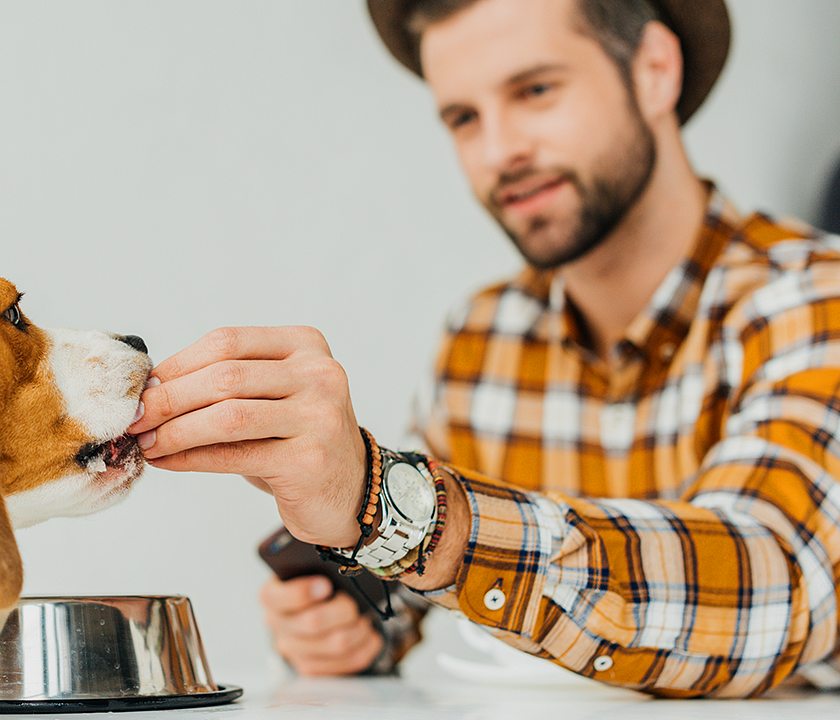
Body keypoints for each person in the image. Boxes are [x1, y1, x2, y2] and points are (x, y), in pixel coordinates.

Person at [127, 0, 840, 699]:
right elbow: (409, 590)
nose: (500, 153)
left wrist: (389, 502)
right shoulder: (485, 336)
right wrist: (350, 621)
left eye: (535, 90)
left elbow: (777, 583)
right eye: (463, 117)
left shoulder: (816, 298)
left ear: (655, 69)